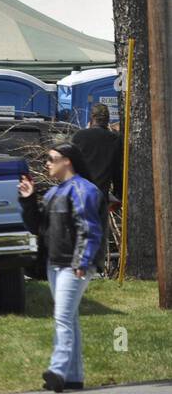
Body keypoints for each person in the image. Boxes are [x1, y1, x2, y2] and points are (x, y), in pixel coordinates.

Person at [18, 143, 104, 392]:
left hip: (73, 266)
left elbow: (89, 229)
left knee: (63, 318)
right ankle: (74, 376)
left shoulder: (84, 190)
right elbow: (38, 228)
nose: (47, 163)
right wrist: (28, 200)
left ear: (68, 161)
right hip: (55, 264)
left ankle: (57, 370)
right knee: (70, 318)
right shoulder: (52, 193)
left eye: (52, 158)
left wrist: (82, 261)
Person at [69, 103, 121, 272]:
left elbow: (71, 164)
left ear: (92, 118)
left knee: (77, 231)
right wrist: (119, 194)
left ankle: (75, 264)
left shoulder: (79, 136)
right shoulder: (114, 139)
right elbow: (117, 170)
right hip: (100, 194)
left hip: (78, 191)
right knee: (97, 233)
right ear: (107, 120)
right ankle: (96, 268)